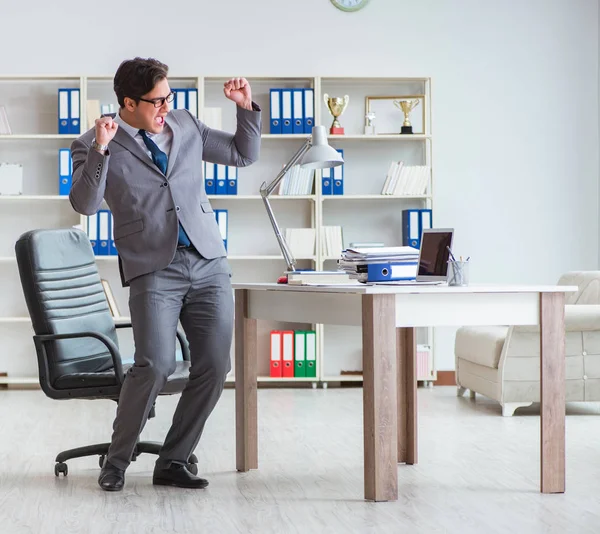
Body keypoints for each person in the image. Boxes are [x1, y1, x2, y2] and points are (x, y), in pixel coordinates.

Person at [69, 57, 261, 492]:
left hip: (208, 261)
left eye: (169, 98)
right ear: (128, 103)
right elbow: (85, 204)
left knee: (214, 365)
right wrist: (100, 148)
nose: (165, 108)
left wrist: (245, 109)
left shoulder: (186, 124)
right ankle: (116, 461)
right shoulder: (94, 142)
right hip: (153, 267)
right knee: (154, 364)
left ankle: (173, 460)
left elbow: (241, 155)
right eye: (157, 101)